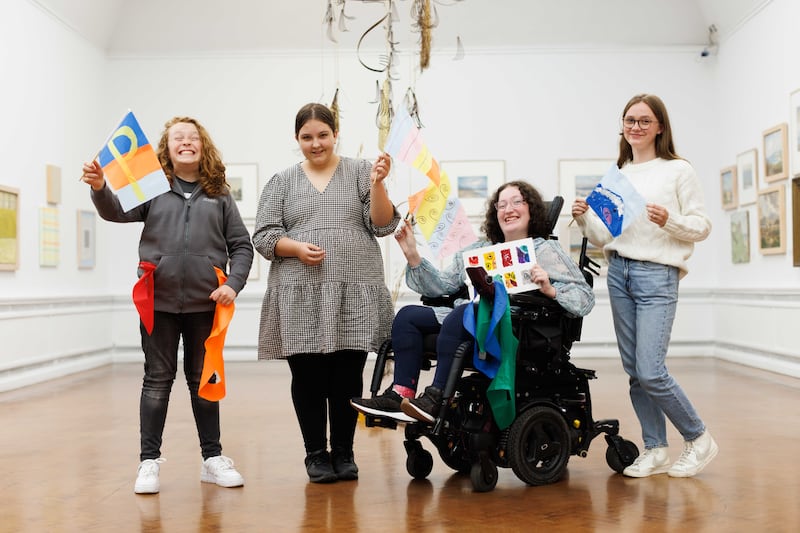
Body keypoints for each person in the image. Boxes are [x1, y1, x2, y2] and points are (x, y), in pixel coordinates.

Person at [81, 116, 253, 494]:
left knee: (202, 382)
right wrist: (99, 187)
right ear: (167, 148)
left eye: (193, 137)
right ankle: (148, 462)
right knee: (156, 382)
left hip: (206, 305)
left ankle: (212, 458)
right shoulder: (151, 188)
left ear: (203, 147)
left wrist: (234, 285)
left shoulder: (219, 193)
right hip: (157, 302)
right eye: (179, 137)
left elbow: (241, 246)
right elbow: (114, 210)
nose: (187, 142)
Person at [350, 181, 595, 424]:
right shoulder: (480, 249)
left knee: (464, 312)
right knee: (408, 316)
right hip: (471, 319)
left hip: (515, 326)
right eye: (501, 205)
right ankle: (400, 394)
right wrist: (412, 254)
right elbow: (443, 285)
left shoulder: (545, 250)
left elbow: (583, 298)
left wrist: (550, 289)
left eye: (517, 202)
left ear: (532, 210)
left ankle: (435, 398)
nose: (508, 209)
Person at [252, 103, 400, 483]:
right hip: (299, 292)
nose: (316, 143)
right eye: (307, 137)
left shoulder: (359, 172)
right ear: (297, 139)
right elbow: (264, 236)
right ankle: (316, 454)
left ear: (336, 134)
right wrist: (297, 249)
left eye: (323, 135)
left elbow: (382, 224)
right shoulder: (281, 181)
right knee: (308, 377)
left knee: (347, 377)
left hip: (354, 289)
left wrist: (378, 183)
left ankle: (345, 453)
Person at [571, 93, 717, 478]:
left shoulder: (678, 170)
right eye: (629, 120)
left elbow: (702, 226)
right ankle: (655, 448)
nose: (636, 126)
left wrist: (669, 220)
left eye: (644, 121)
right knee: (635, 370)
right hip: (619, 273)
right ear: (622, 126)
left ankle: (699, 438)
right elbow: (604, 239)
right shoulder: (617, 174)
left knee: (651, 370)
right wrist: (585, 220)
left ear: (660, 127)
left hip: (657, 274)